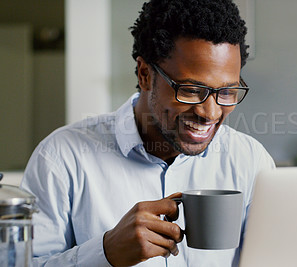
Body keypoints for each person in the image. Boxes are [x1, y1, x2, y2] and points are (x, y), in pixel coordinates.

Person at [21, 0, 275, 266]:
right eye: (190, 90)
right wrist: (105, 253)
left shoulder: (250, 160)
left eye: (226, 92)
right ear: (145, 74)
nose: (210, 113)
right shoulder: (63, 156)